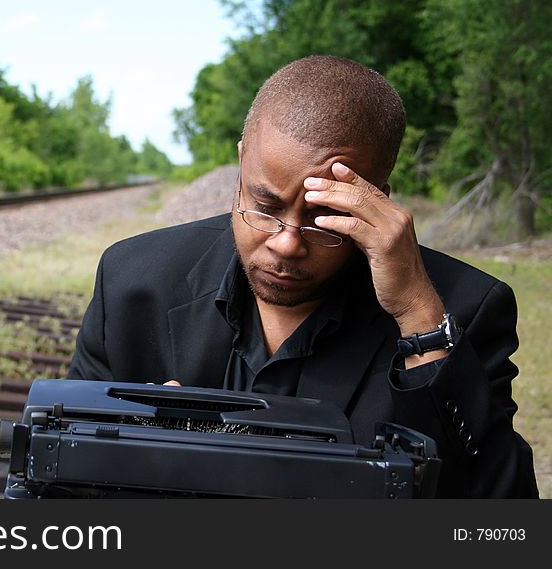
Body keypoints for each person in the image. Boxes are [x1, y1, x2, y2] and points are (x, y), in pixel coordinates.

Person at [68, 55, 538, 498]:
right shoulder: (132, 283)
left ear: (375, 198)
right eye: (265, 206)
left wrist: (419, 316)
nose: (287, 243)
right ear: (241, 161)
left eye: (322, 218)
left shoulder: (464, 309)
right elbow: (59, 487)